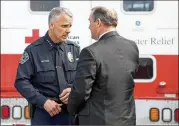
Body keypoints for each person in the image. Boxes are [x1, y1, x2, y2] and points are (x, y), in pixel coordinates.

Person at [67, 6, 139, 126]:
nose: (89, 26)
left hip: (98, 121)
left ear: (98, 23)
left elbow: (81, 91)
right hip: (127, 121)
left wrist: (71, 110)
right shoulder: (132, 47)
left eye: (90, 22)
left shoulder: (90, 52)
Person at [14, 7, 80, 125]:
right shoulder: (33, 51)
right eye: (64, 26)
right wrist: (43, 101)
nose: (69, 30)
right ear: (51, 25)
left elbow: (82, 79)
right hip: (45, 114)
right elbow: (21, 81)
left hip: (70, 114)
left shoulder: (74, 49)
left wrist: (74, 91)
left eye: (70, 26)